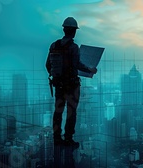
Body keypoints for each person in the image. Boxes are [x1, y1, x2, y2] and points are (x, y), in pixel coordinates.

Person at [46, 17, 97, 147]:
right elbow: (77, 65)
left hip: (58, 85)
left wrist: (56, 76)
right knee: (71, 112)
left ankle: (57, 138)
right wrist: (90, 69)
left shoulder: (53, 45)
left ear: (64, 29)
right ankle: (68, 139)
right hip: (72, 85)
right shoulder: (73, 48)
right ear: (74, 31)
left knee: (58, 111)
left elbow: (47, 65)